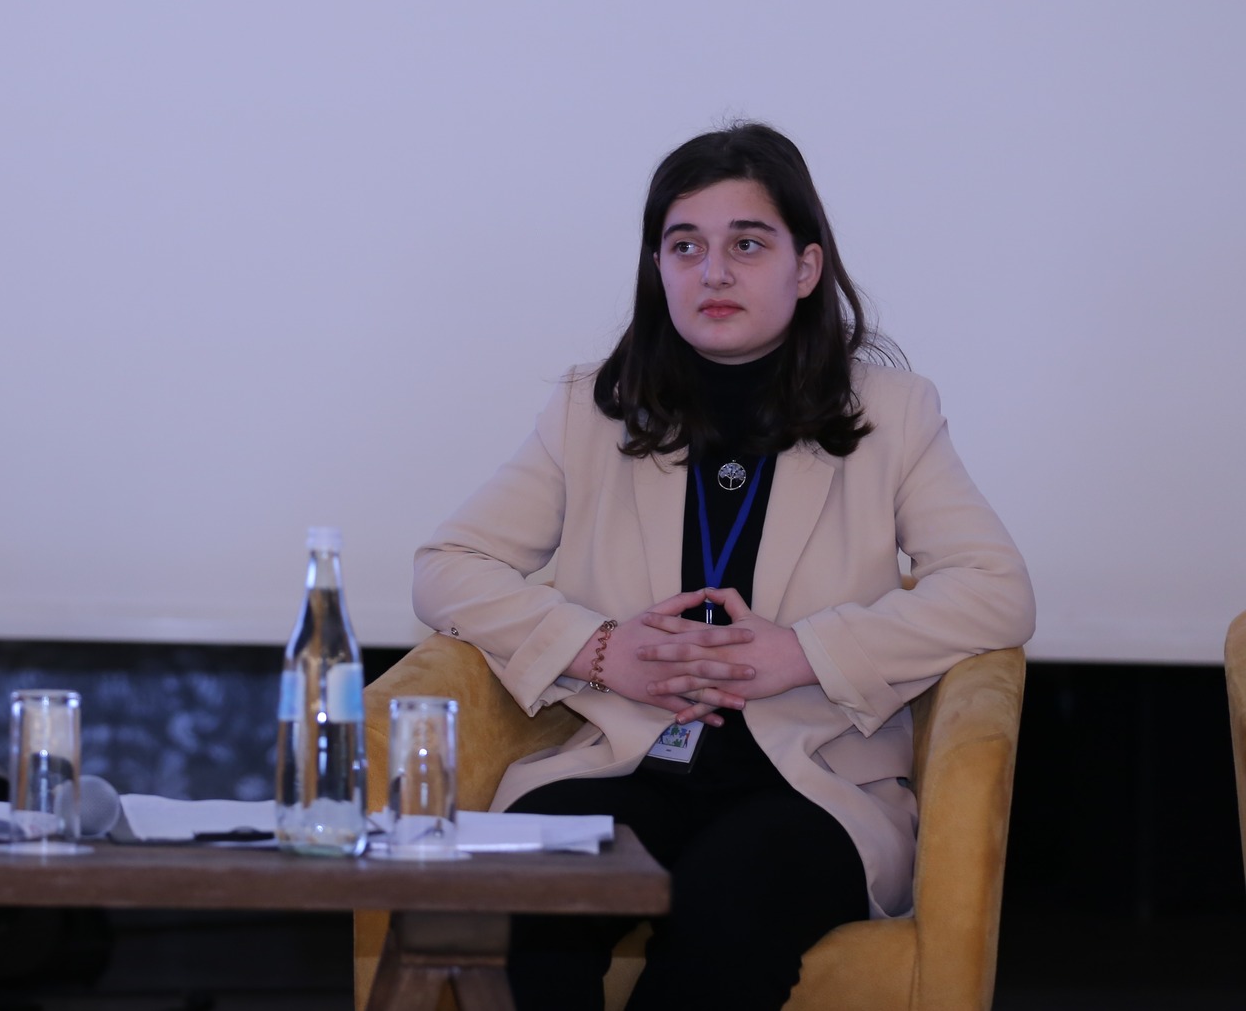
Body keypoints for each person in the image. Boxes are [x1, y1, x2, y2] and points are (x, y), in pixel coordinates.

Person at [412, 123, 1033, 1011]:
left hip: (809, 777)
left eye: (746, 244)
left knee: (727, 907)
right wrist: (601, 649)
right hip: (625, 757)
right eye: (685, 246)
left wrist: (804, 651)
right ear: (657, 267)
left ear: (805, 267)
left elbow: (995, 589)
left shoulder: (892, 412)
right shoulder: (592, 409)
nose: (712, 272)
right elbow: (447, 565)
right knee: (526, 899)